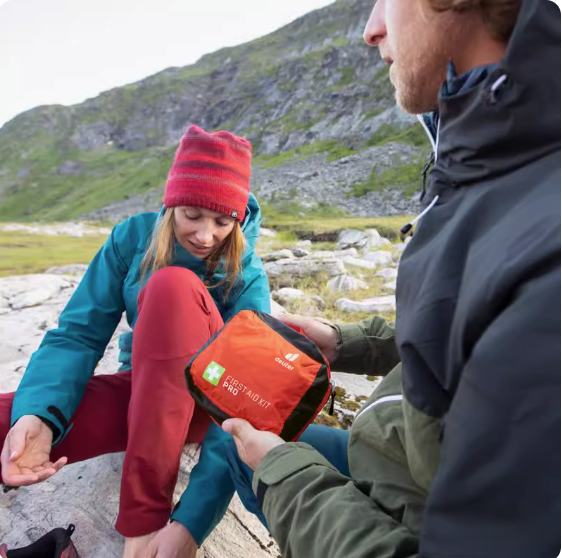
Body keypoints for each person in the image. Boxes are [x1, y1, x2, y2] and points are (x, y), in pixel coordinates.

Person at [224, 0, 561, 556]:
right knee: (240, 446)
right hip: (392, 452)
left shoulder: (542, 237)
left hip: (412, 515)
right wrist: (347, 343)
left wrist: (287, 478)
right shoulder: (487, 165)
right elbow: (460, 346)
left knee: (257, 457)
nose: (371, 29)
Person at [0, 125, 271, 558]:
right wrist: (38, 415)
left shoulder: (249, 272)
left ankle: (143, 519)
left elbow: (247, 392)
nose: (205, 235)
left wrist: (190, 523)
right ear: (170, 204)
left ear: (237, 220)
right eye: (192, 215)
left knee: (171, 289)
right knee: (9, 422)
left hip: (208, 407)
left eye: (222, 221)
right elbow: (78, 334)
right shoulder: (131, 239)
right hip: (143, 392)